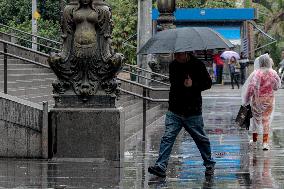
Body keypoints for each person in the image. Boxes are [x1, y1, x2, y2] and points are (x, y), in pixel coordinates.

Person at [148, 52, 216, 178]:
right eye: (175, 54)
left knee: (201, 139)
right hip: (175, 110)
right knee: (167, 138)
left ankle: (209, 163)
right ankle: (161, 166)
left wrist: (193, 84)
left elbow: (207, 83)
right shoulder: (173, 65)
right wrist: (183, 84)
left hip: (193, 111)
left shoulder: (197, 64)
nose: (176, 57)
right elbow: (174, 83)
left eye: (179, 54)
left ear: (185, 53)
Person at [242, 54, 281, 150]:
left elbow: (251, 88)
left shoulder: (256, 73)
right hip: (269, 100)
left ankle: (254, 140)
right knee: (266, 121)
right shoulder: (273, 73)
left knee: (256, 121)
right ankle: (265, 143)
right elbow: (276, 87)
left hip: (257, 101)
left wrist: (246, 99)